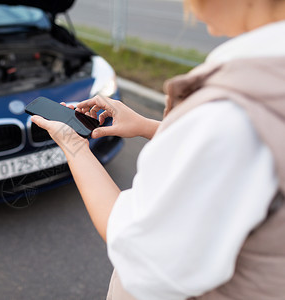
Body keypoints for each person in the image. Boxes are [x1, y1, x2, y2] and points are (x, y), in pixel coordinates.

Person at [31, 0, 285, 299]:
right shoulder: (262, 91)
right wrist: (146, 126)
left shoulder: (229, 114)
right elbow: (244, 158)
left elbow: (137, 253)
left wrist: (74, 145)